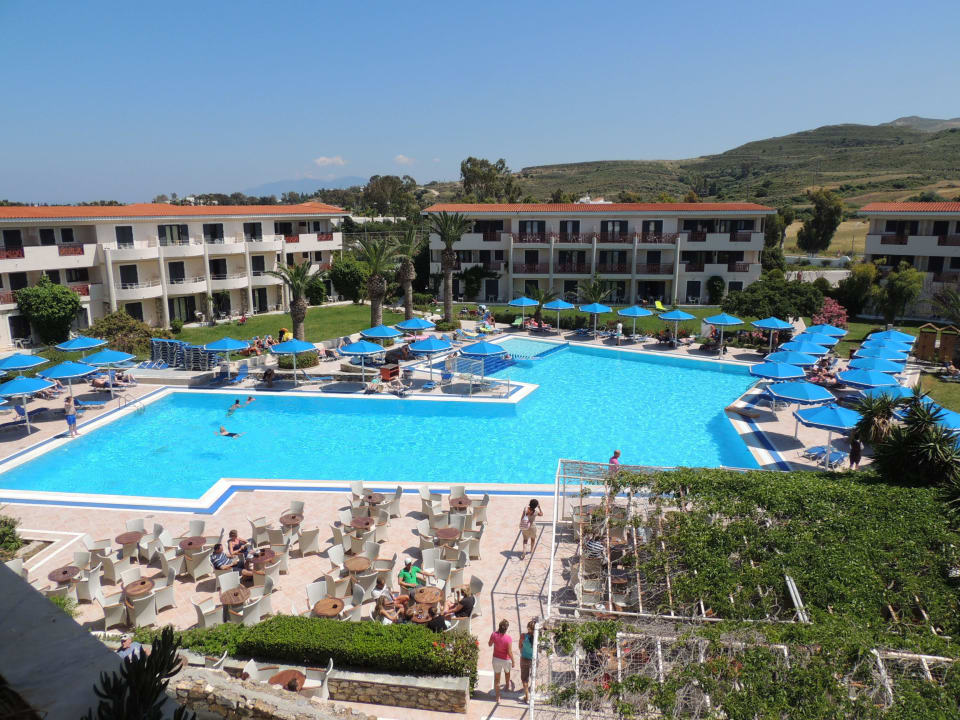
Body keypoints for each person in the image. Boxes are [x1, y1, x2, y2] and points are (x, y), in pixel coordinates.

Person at [489, 619, 515, 701]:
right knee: (507, 673)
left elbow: (490, 644)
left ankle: (498, 697)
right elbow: (509, 652)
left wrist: (494, 639)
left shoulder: (494, 634)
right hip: (506, 660)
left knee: (497, 679)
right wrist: (513, 661)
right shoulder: (508, 638)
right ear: (506, 629)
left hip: (496, 659)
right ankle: (507, 686)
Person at [519, 619, 537, 703]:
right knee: (533, 676)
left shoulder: (523, 636)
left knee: (524, 679)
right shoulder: (537, 638)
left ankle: (527, 696)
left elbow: (520, 646)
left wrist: (523, 651)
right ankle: (532, 690)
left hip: (524, 658)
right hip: (533, 659)